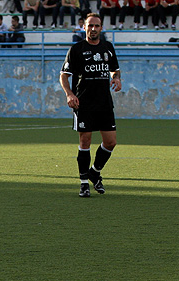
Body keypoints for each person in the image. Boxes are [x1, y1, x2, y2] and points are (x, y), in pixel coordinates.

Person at [60, 13, 121, 197]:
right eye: (90, 26)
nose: (93, 29)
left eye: (97, 26)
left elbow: (115, 70)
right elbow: (64, 75)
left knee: (111, 142)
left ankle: (94, 172)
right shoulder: (76, 49)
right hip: (83, 103)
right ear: (84, 27)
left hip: (104, 103)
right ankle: (84, 182)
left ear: (101, 28)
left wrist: (117, 79)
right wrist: (69, 94)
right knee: (85, 140)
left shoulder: (108, 48)